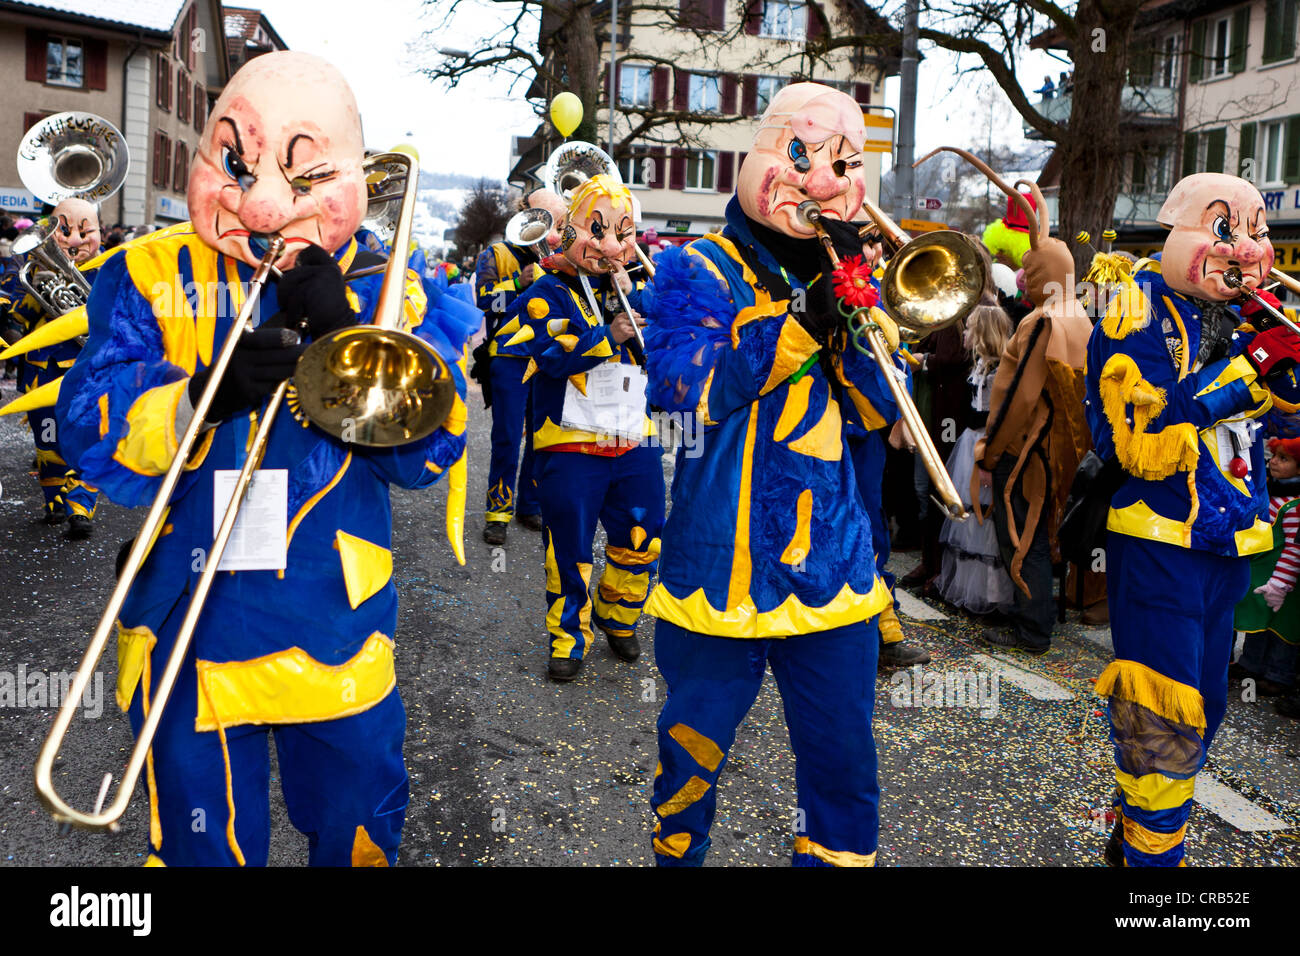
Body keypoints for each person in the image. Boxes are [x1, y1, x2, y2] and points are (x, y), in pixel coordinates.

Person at [56, 51, 475, 867]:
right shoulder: (148, 272)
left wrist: (349, 332)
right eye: (234, 162)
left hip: (337, 621)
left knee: (359, 828)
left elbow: (427, 456)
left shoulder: (400, 285)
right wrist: (194, 402)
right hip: (192, 616)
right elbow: (86, 428)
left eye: (307, 173)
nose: (261, 202)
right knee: (200, 841)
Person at [641, 83, 898, 866]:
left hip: (834, 573)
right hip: (717, 568)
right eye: (802, 155)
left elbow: (882, 411)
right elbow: (682, 392)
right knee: (688, 765)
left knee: (845, 773)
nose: (822, 180)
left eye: (844, 164)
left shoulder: (855, 278)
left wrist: (854, 316)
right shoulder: (696, 268)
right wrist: (799, 322)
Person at [1085, 172, 1300, 866]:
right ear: (1175, 233)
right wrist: (1244, 373)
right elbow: (1140, 436)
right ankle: (1154, 865)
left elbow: (1272, 427)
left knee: (1205, 708)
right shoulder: (1134, 312)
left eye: (1257, 232)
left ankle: (1136, 832)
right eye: (1223, 229)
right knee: (1163, 714)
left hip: (1228, 549)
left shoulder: (1245, 316)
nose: (1244, 249)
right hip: (1160, 544)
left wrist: (1284, 383)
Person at [514, 173, 664, 682]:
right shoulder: (546, 290)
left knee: (643, 537)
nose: (611, 245)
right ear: (568, 230)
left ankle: (617, 615)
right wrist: (607, 333)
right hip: (570, 439)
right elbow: (543, 353)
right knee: (568, 546)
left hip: (632, 436)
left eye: (622, 233)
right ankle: (567, 637)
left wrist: (642, 300)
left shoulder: (638, 284)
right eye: (597, 230)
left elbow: (669, 345)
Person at [1, 197, 106, 537]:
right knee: (49, 443)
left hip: (91, 371)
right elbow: (13, 314)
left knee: (90, 436)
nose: (75, 239)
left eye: (85, 230)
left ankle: (81, 508)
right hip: (42, 372)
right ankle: (55, 502)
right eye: (64, 230)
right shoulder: (28, 271)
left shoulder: (111, 271)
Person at [471, 188, 566, 546]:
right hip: (510, 357)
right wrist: (517, 281)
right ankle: (497, 514)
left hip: (547, 358)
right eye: (543, 219)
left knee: (542, 438)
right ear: (523, 213)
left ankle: (529, 504)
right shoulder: (496, 254)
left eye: (555, 221)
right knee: (508, 438)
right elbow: (485, 299)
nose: (549, 228)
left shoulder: (559, 255)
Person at [937, 276, 1015, 615]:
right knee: (968, 517)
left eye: (969, 330)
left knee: (984, 519)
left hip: (983, 446)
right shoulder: (979, 367)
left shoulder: (997, 370)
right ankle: (969, 589)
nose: (964, 335)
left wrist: (986, 459)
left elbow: (992, 417)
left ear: (984, 332)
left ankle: (991, 593)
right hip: (970, 443)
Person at [1232, 436, 1300, 696]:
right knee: (1257, 622)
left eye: (1284, 459)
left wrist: (1281, 583)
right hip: (1260, 574)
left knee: (1281, 629)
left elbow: (1294, 547)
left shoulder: (1294, 507)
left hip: (1281, 580)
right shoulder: (1269, 495)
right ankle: (1250, 665)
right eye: (1274, 457)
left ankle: (1278, 674)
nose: (1274, 463)